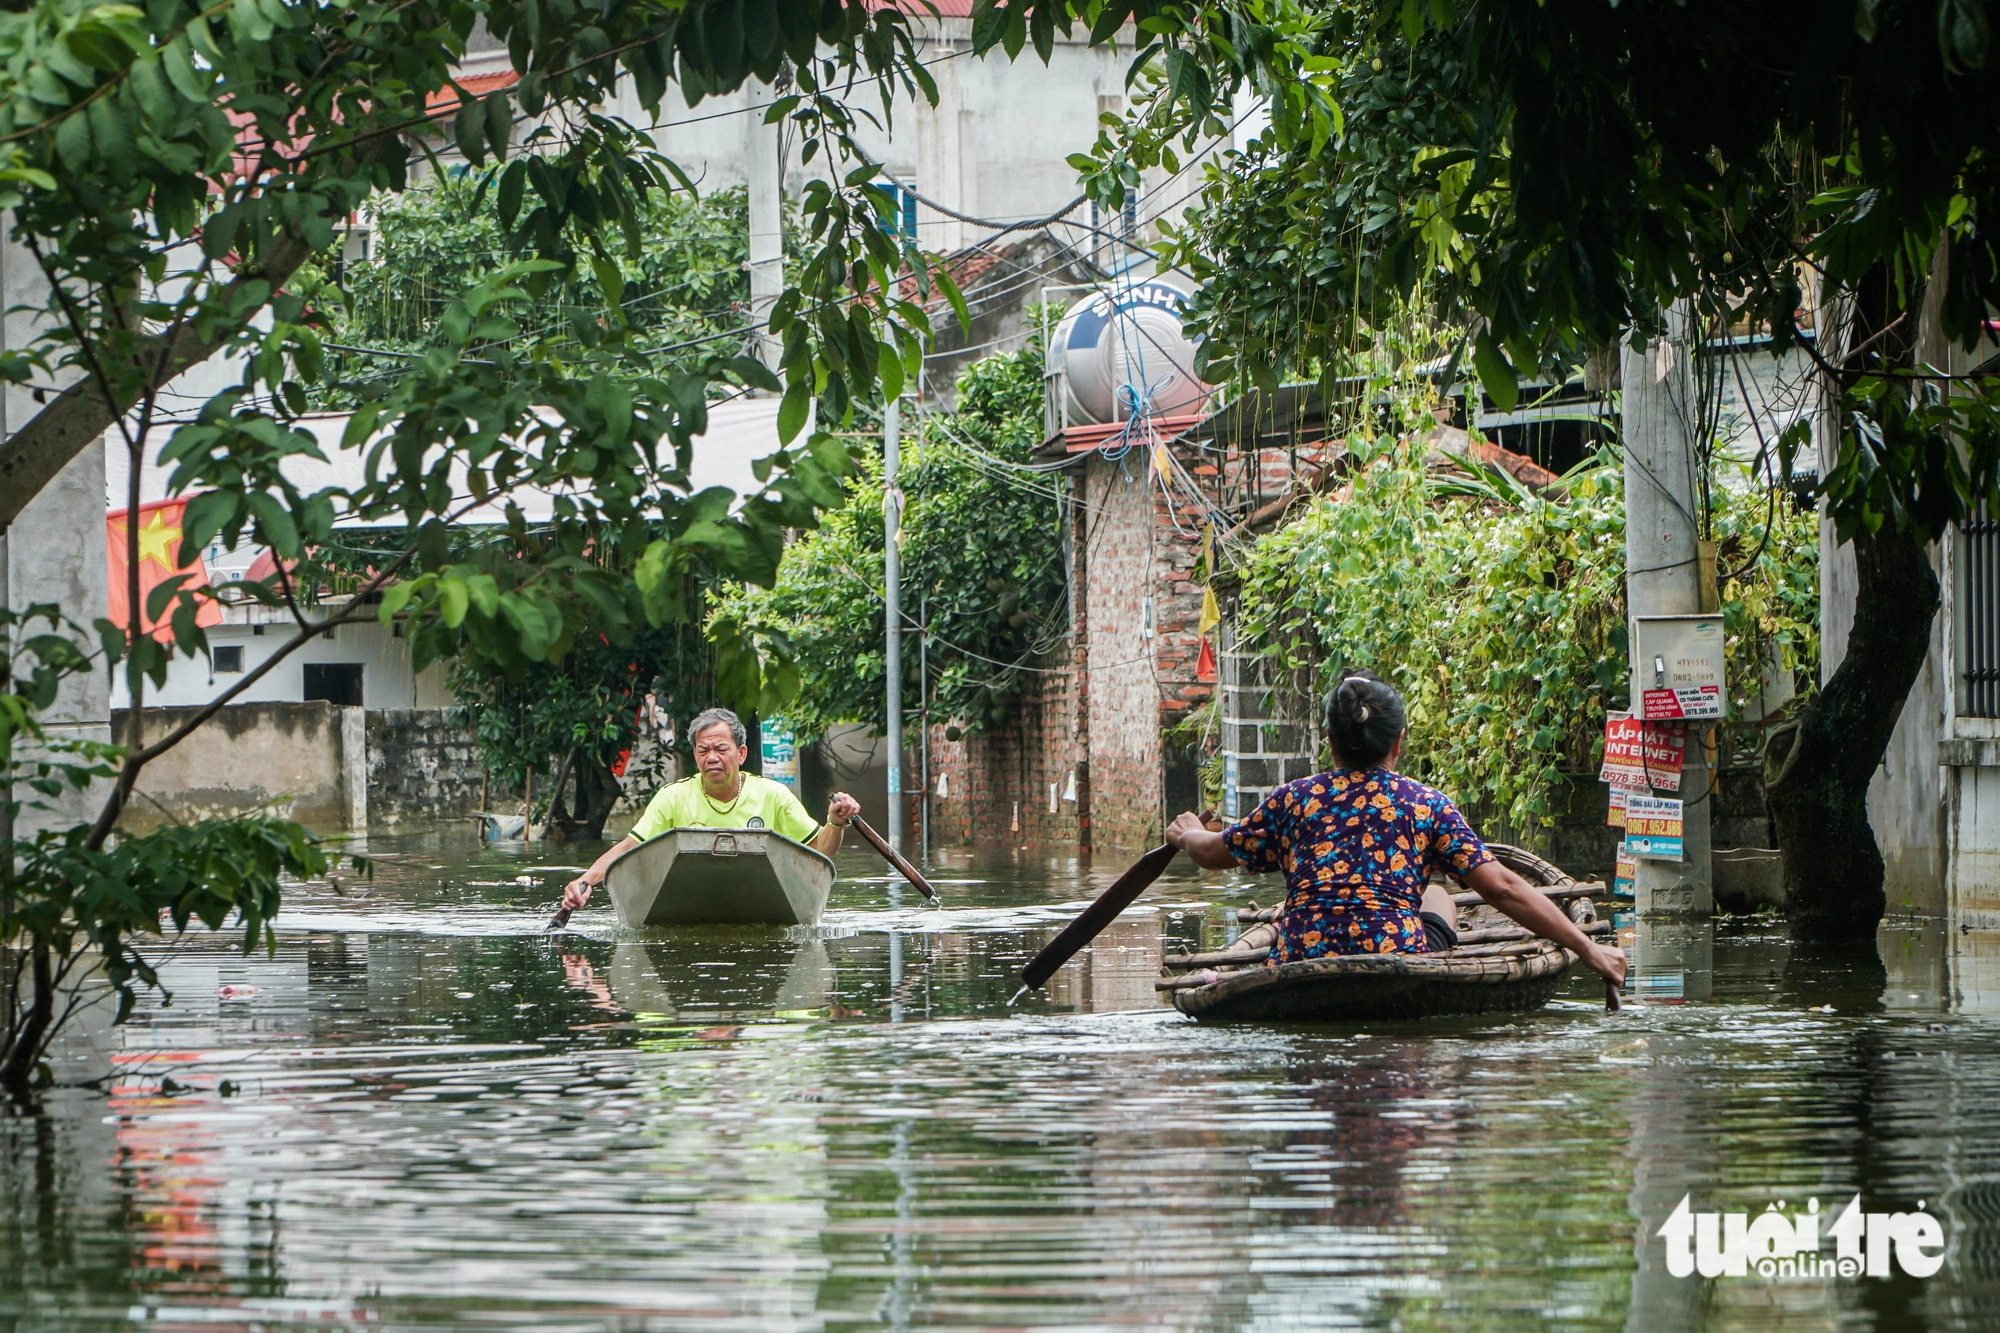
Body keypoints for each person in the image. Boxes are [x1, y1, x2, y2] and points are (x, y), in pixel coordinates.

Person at [1165, 669, 1627, 988]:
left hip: (1300, 957)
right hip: (1396, 954)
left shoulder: (1293, 800)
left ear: (1330, 741)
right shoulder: (1426, 805)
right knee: (1438, 895)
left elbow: (1210, 853)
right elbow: (1504, 889)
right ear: (1398, 742)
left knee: (1305, 905)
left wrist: (1186, 834)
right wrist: (1589, 950)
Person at [560, 707, 860, 911]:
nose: (712, 757)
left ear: (741, 754)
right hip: (689, 903)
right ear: (695, 756)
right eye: (704, 751)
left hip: (758, 903)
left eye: (721, 749)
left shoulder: (773, 795)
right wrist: (584, 881)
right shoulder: (673, 797)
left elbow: (820, 851)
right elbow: (629, 847)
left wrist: (835, 823)